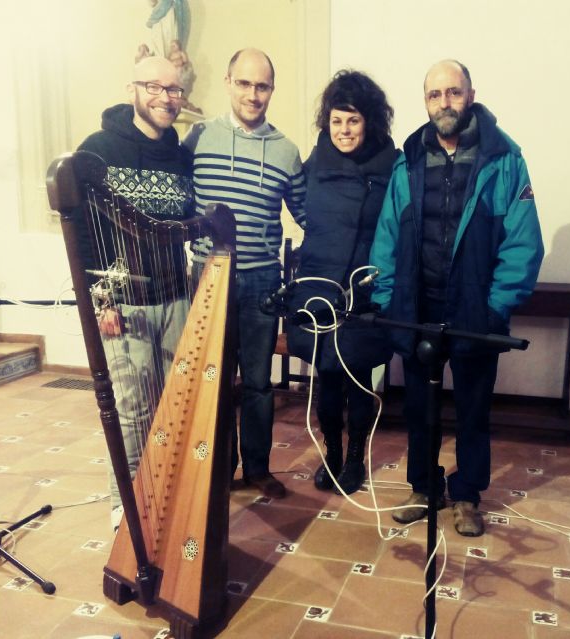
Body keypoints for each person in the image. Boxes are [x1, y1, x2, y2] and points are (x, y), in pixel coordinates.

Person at [369, 59, 544, 536]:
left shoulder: (505, 159)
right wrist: (387, 298)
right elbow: (387, 235)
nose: (444, 102)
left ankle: (466, 495)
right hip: (417, 309)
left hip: (475, 311)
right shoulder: (409, 159)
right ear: (425, 102)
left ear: (470, 95)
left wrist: (495, 307)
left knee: (473, 410)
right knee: (419, 409)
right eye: (435, 94)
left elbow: (523, 243)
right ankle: (424, 489)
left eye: (453, 92)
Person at [183, 48, 306, 499]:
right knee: (213, 380)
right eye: (244, 83)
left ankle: (257, 468)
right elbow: (177, 203)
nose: (253, 94)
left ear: (272, 90)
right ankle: (218, 469)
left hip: (261, 283)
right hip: (207, 278)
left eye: (262, 86)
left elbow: (308, 214)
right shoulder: (198, 138)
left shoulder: (287, 151)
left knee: (257, 382)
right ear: (228, 82)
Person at [77, 56, 194, 529]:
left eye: (174, 89)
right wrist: (100, 299)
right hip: (123, 304)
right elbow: (81, 231)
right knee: (130, 410)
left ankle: (163, 492)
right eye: (154, 86)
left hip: (176, 298)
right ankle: (121, 504)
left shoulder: (182, 156)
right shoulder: (97, 150)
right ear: (133, 89)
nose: (165, 97)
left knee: (173, 403)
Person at [286, 70, 397, 495]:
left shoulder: (391, 164)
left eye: (353, 120)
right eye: (336, 120)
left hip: (364, 290)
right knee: (328, 378)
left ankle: (354, 459)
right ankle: (332, 453)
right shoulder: (315, 163)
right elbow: (300, 206)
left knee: (359, 379)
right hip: (319, 286)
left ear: (369, 121)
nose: (344, 130)